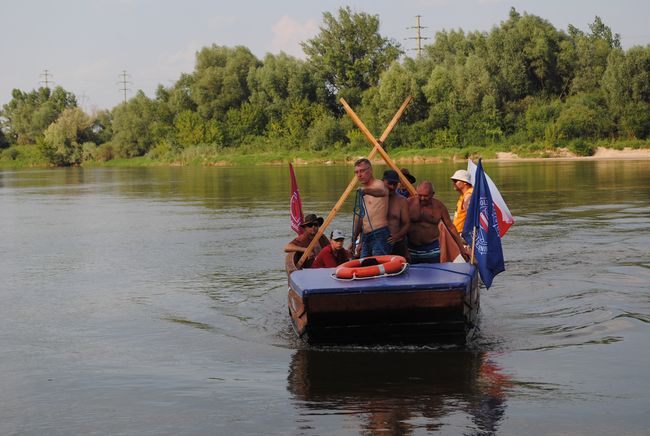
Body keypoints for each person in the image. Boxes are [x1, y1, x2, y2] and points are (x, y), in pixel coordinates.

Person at [407, 181, 468, 263]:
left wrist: (461, 248)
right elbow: (400, 225)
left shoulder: (439, 207)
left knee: (433, 274)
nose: (422, 198)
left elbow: (450, 227)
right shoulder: (408, 204)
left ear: (432, 194)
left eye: (425, 196)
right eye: (419, 195)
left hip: (432, 249)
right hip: (411, 248)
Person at [352, 158, 391, 257]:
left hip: (380, 232)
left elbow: (381, 192)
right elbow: (360, 218)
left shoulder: (379, 184)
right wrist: (355, 239)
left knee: (377, 264)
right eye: (356, 172)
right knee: (364, 264)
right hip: (365, 235)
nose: (359, 175)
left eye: (362, 171)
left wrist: (366, 191)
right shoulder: (361, 191)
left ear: (371, 170)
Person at [382, 170, 411, 259]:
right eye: (389, 183)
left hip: (397, 244)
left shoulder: (402, 201)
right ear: (382, 181)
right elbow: (364, 220)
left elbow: (407, 223)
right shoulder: (375, 198)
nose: (392, 186)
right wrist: (359, 241)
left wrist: (397, 236)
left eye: (395, 184)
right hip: (378, 243)